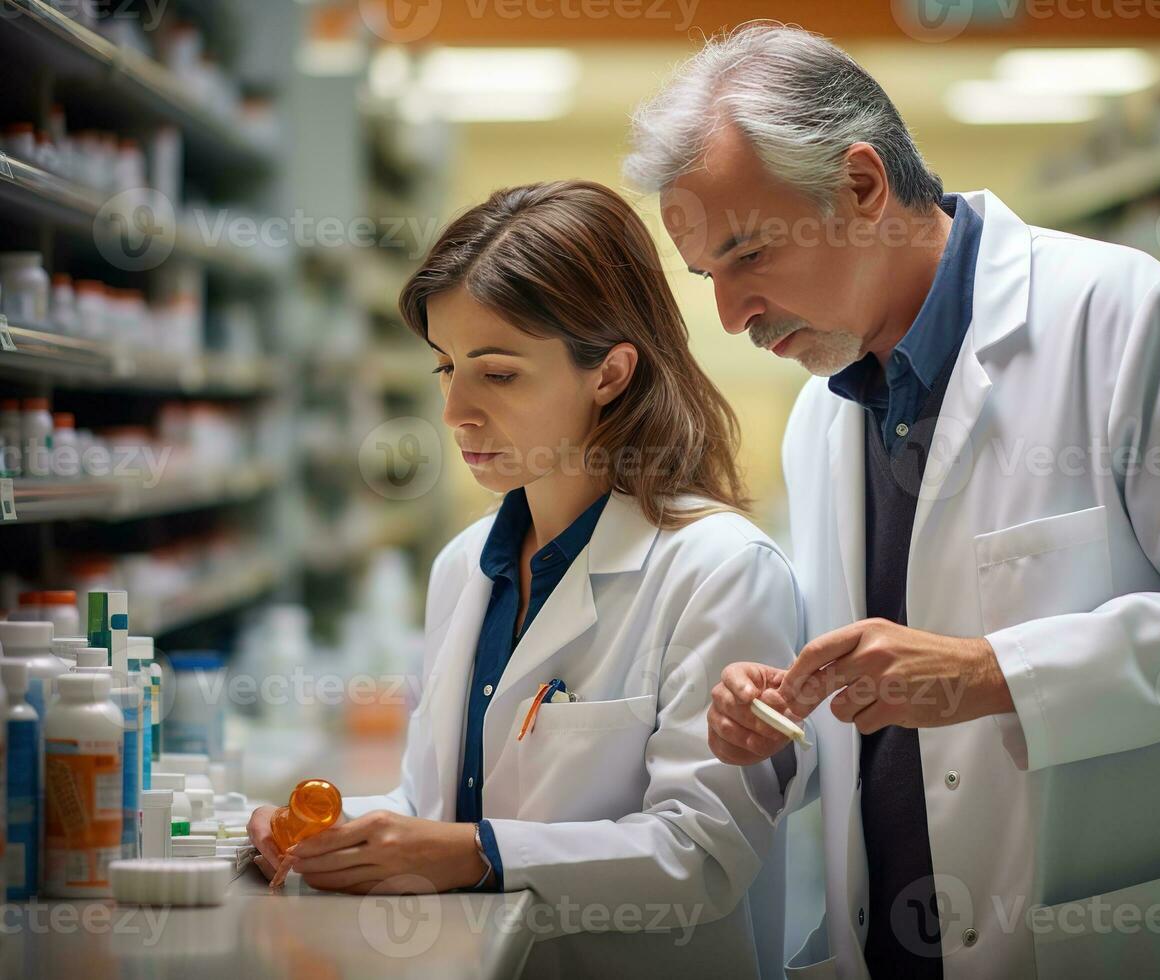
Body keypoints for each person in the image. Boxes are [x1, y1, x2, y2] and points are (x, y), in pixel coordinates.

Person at [626, 23, 1160, 979]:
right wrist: (774, 718)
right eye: (708, 275)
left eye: (750, 254)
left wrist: (997, 673)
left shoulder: (1123, 317)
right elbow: (877, 702)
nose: (732, 313)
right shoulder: (822, 414)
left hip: (1100, 942)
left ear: (861, 186)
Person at [246, 179, 803, 978]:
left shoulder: (720, 571)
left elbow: (703, 855)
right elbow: (436, 814)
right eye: (445, 368)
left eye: (497, 374)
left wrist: (474, 853)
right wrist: (316, 835)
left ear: (609, 373)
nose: (455, 413)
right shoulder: (463, 568)